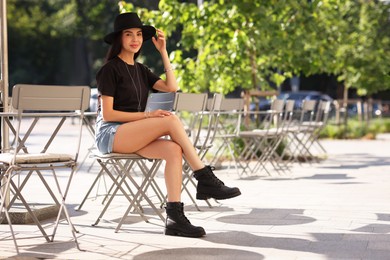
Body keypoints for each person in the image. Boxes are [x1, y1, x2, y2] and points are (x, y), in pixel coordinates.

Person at [95, 12, 241, 238]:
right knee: (169, 119)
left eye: (138, 34)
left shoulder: (141, 70)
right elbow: (107, 114)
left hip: (132, 134)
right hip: (111, 134)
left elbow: (171, 87)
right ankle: (204, 177)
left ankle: (175, 218)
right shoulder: (109, 69)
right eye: (128, 34)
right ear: (118, 39)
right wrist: (148, 116)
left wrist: (163, 51)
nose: (135, 39)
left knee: (174, 150)